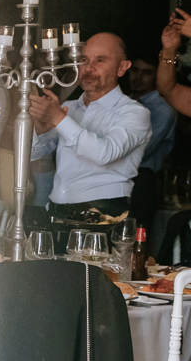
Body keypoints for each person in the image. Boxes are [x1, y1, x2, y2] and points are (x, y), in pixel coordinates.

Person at [30, 31, 151, 223]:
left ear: (122, 68)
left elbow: (105, 154)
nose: (88, 68)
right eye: (84, 60)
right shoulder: (69, 107)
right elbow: (35, 155)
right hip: (56, 213)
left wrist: (58, 119)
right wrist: (41, 129)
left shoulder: (135, 113)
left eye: (100, 60)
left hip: (105, 218)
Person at [129, 44, 178, 229]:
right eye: (135, 70)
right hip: (116, 178)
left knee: (137, 238)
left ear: (157, 75)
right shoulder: (126, 100)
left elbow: (141, 152)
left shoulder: (163, 110)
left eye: (147, 72)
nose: (138, 77)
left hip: (141, 181)